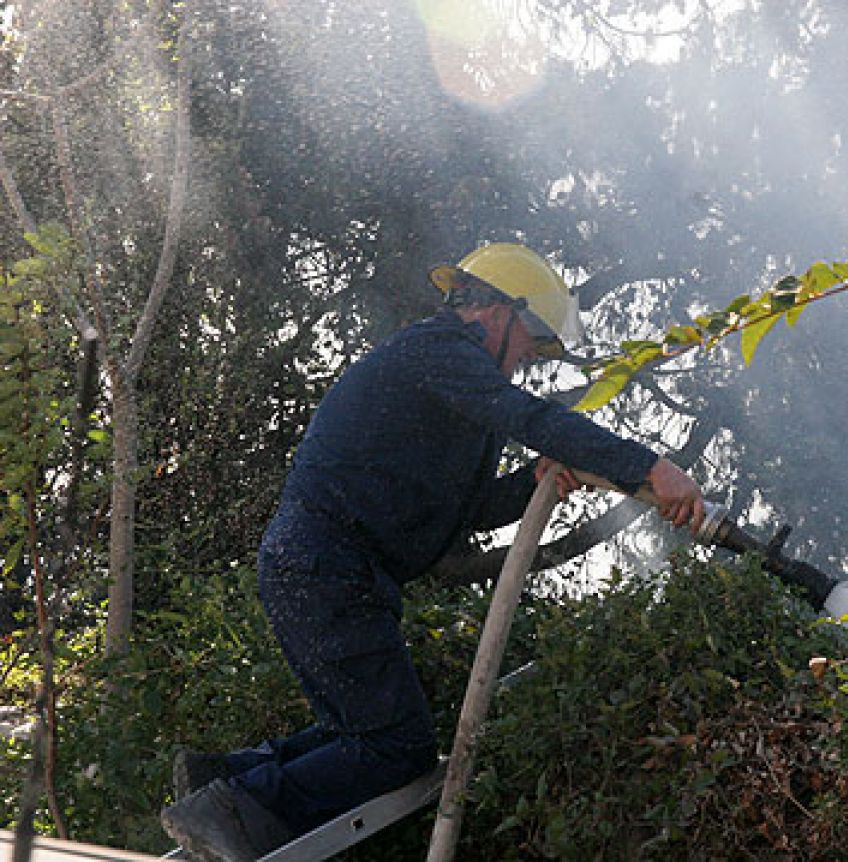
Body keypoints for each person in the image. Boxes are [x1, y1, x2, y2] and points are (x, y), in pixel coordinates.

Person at [160, 242, 704, 861]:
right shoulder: (437, 350)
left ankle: (221, 777)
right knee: (397, 747)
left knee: (361, 731)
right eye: (529, 342)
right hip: (327, 565)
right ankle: (225, 809)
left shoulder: (447, 391)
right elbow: (529, 416)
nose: (525, 362)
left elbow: (464, 509)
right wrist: (650, 466)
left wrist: (535, 482)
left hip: (320, 566)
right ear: (498, 313)